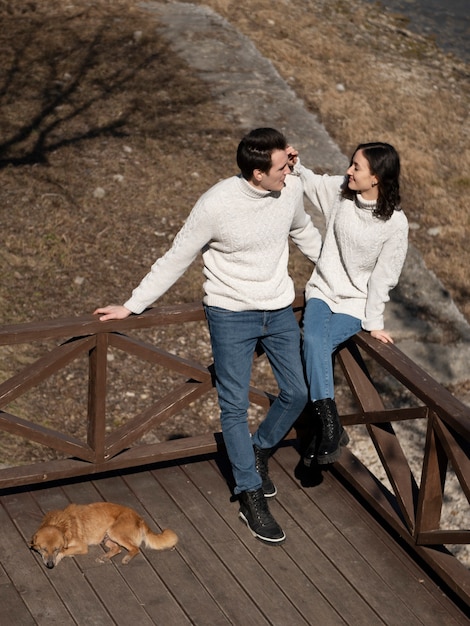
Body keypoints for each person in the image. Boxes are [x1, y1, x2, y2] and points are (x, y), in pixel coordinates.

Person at [94, 128, 322, 544]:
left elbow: (305, 231)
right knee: (233, 407)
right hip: (232, 314)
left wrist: (339, 276)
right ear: (256, 173)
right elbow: (176, 256)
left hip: (279, 310)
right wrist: (132, 304)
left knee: (297, 393)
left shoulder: (289, 189)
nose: (289, 173)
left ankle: (258, 450)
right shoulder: (216, 204)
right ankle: (250, 493)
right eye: (281, 168)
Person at [288, 142, 408, 467]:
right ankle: (330, 425)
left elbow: (384, 278)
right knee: (313, 340)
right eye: (351, 164)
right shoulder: (341, 194)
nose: (348, 171)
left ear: (377, 179)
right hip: (323, 290)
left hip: (356, 303)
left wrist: (375, 322)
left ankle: (326, 429)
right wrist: (296, 166)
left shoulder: (395, 224)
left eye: (356, 167)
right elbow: (312, 183)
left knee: (319, 344)